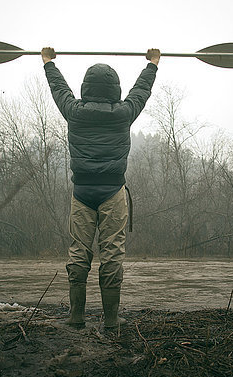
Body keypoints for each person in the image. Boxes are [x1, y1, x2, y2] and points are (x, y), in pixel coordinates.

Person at [41, 46, 160, 329]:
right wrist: (152, 64)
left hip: (81, 193)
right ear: (115, 90)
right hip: (113, 194)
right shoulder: (124, 113)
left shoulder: (74, 112)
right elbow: (141, 91)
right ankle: (110, 319)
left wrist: (48, 63)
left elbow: (59, 89)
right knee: (112, 254)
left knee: (78, 253)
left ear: (86, 88)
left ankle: (76, 316)